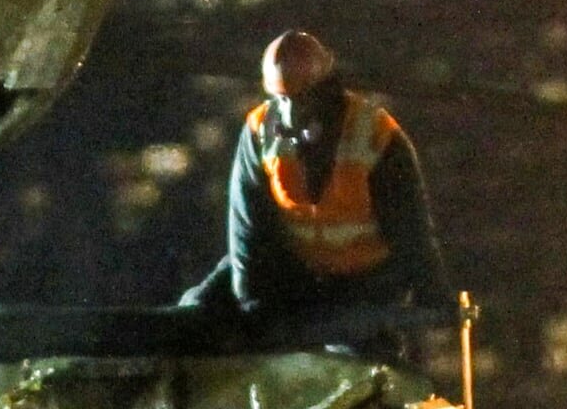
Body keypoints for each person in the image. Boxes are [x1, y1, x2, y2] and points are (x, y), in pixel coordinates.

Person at [181, 29, 449, 347]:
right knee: (197, 309)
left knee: (356, 350)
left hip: (362, 283)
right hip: (295, 273)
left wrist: (433, 296)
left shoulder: (375, 135)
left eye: (302, 99)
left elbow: (412, 233)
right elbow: (247, 233)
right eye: (282, 100)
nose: (291, 113)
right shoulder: (259, 132)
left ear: (326, 93)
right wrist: (254, 309)